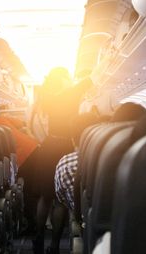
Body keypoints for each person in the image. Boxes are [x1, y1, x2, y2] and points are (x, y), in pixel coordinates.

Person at [32, 63, 103, 254]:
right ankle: (54, 245)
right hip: (63, 146)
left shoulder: (45, 96)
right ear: (63, 79)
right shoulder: (70, 93)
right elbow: (90, 79)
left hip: (47, 145)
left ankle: (37, 238)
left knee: (44, 196)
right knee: (59, 201)